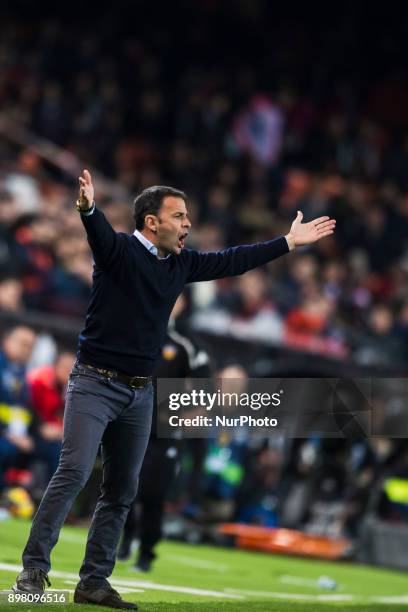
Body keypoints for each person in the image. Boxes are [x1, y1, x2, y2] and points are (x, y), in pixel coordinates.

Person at [14, 169, 335, 610]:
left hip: (139, 393)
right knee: (74, 472)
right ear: (152, 222)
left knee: (123, 490)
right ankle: (34, 569)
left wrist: (287, 242)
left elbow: (232, 260)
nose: (187, 224)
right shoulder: (121, 252)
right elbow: (101, 235)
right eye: (179, 216)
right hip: (94, 383)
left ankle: (93, 581)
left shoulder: (181, 264)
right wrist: (88, 209)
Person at [117, 293, 211, 571]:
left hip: (164, 431)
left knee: (153, 492)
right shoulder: (136, 331)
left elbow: (207, 390)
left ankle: (146, 552)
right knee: (122, 486)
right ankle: (124, 537)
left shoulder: (187, 345)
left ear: (182, 304)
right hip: (131, 423)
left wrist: (188, 415)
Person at [0, 326, 36, 492]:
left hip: (18, 435)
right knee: (6, 449)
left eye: (30, 346)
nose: (27, 350)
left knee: (53, 449)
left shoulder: (22, 372)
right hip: (5, 434)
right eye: (23, 344)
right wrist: (8, 433)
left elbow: (25, 410)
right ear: (7, 341)